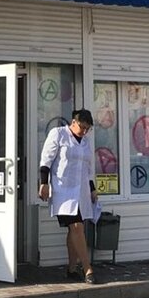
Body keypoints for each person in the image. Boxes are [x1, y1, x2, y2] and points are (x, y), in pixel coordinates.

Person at [38, 109, 99, 284]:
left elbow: (88, 169)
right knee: (77, 227)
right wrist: (44, 183)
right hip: (63, 190)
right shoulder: (58, 134)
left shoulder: (86, 142)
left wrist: (92, 189)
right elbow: (46, 160)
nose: (84, 131)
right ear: (74, 122)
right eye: (82, 127)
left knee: (74, 229)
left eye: (88, 129)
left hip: (81, 192)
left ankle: (72, 269)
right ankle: (87, 269)